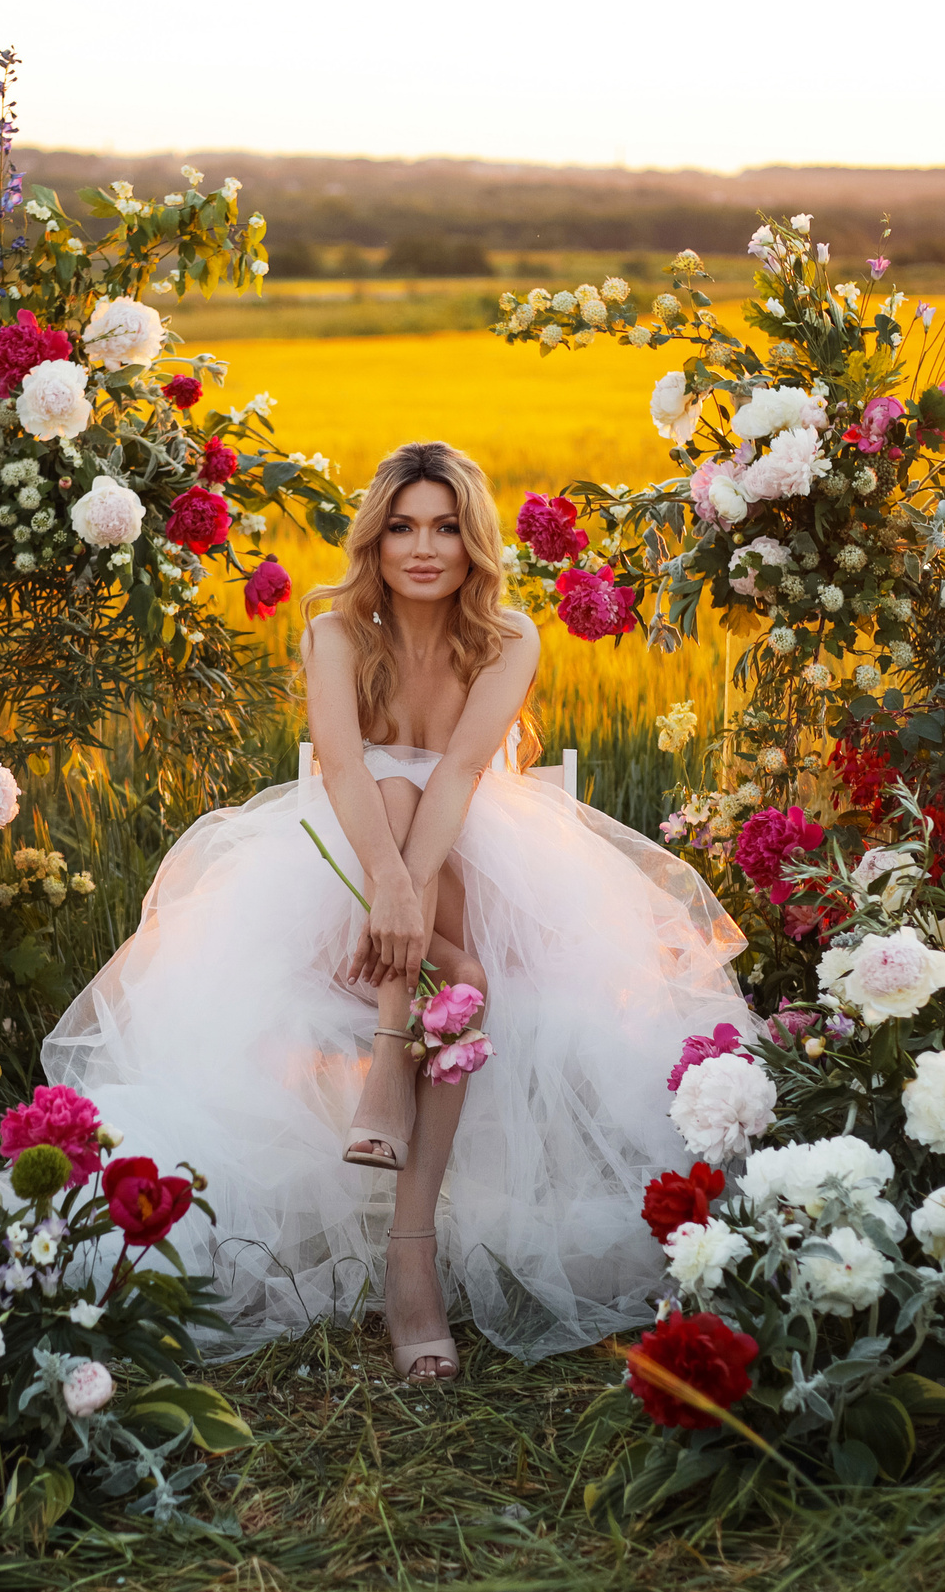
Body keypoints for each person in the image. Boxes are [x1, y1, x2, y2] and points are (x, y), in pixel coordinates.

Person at [43, 441, 762, 1381]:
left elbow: (463, 772)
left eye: (447, 526)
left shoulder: (509, 637)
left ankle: (405, 1222)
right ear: (376, 540)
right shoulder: (335, 632)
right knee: (396, 820)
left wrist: (402, 893)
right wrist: (386, 885)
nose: (424, 547)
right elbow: (341, 766)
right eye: (403, 526)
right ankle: (425, 1038)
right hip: (347, 866)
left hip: (470, 859)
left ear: (474, 542)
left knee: (420, 824)